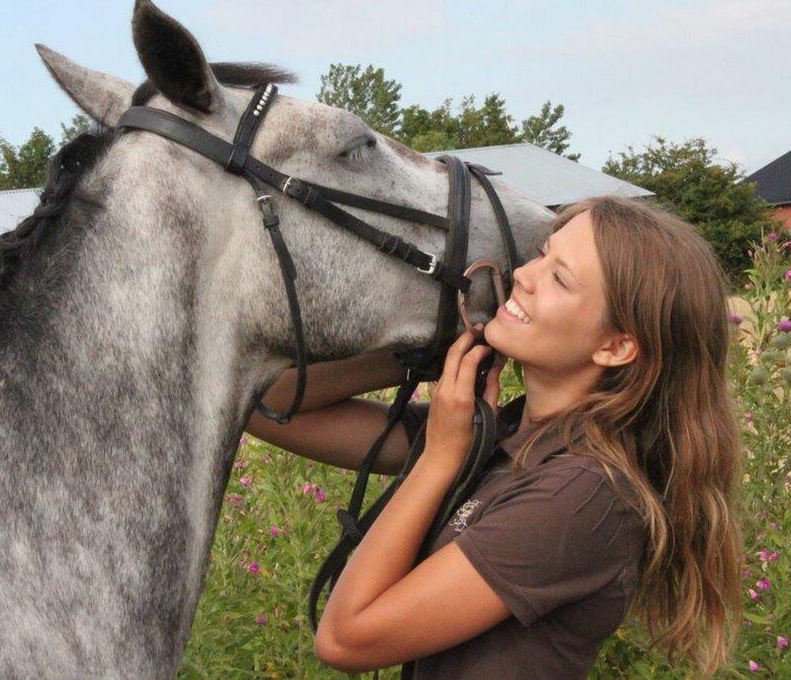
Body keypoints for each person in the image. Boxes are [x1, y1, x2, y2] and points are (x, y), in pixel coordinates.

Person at [246, 196, 743, 678]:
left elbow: (345, 638)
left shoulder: (582, 495)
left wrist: (439, 461)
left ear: (615, 346)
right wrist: (422, 349)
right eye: (543, 255)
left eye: (559, 279)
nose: (523, 274)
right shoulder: (504, 432)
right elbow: (262, 405)